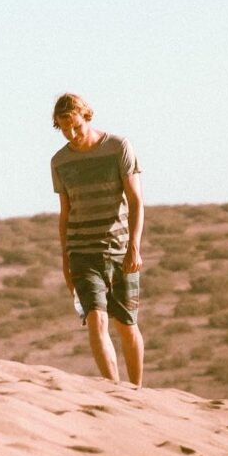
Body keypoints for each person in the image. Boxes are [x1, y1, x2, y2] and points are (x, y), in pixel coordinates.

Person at [50, 93, 144, 385]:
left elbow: (136, 200)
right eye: (64, 128)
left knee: (126, 324)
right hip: (82, 252)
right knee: (96, 319)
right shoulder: (60, 161)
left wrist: (134, 248)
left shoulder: (118, 147)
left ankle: (136, 390)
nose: (71, 134)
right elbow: (64, 214)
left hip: (118, 249)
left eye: (76, 126)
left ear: (87, 117)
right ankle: (114, 392)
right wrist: (65, 260)